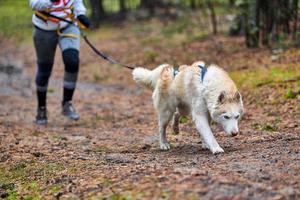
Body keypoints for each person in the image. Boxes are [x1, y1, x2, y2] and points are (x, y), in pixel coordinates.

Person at [29, 0, 90, 125]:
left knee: (72, 61)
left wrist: (81, 14)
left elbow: (77, 2)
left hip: (68, 26)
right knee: (44, 69)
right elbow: (34, 4)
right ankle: (42, 109)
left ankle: (67, 104)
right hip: (43, 28)